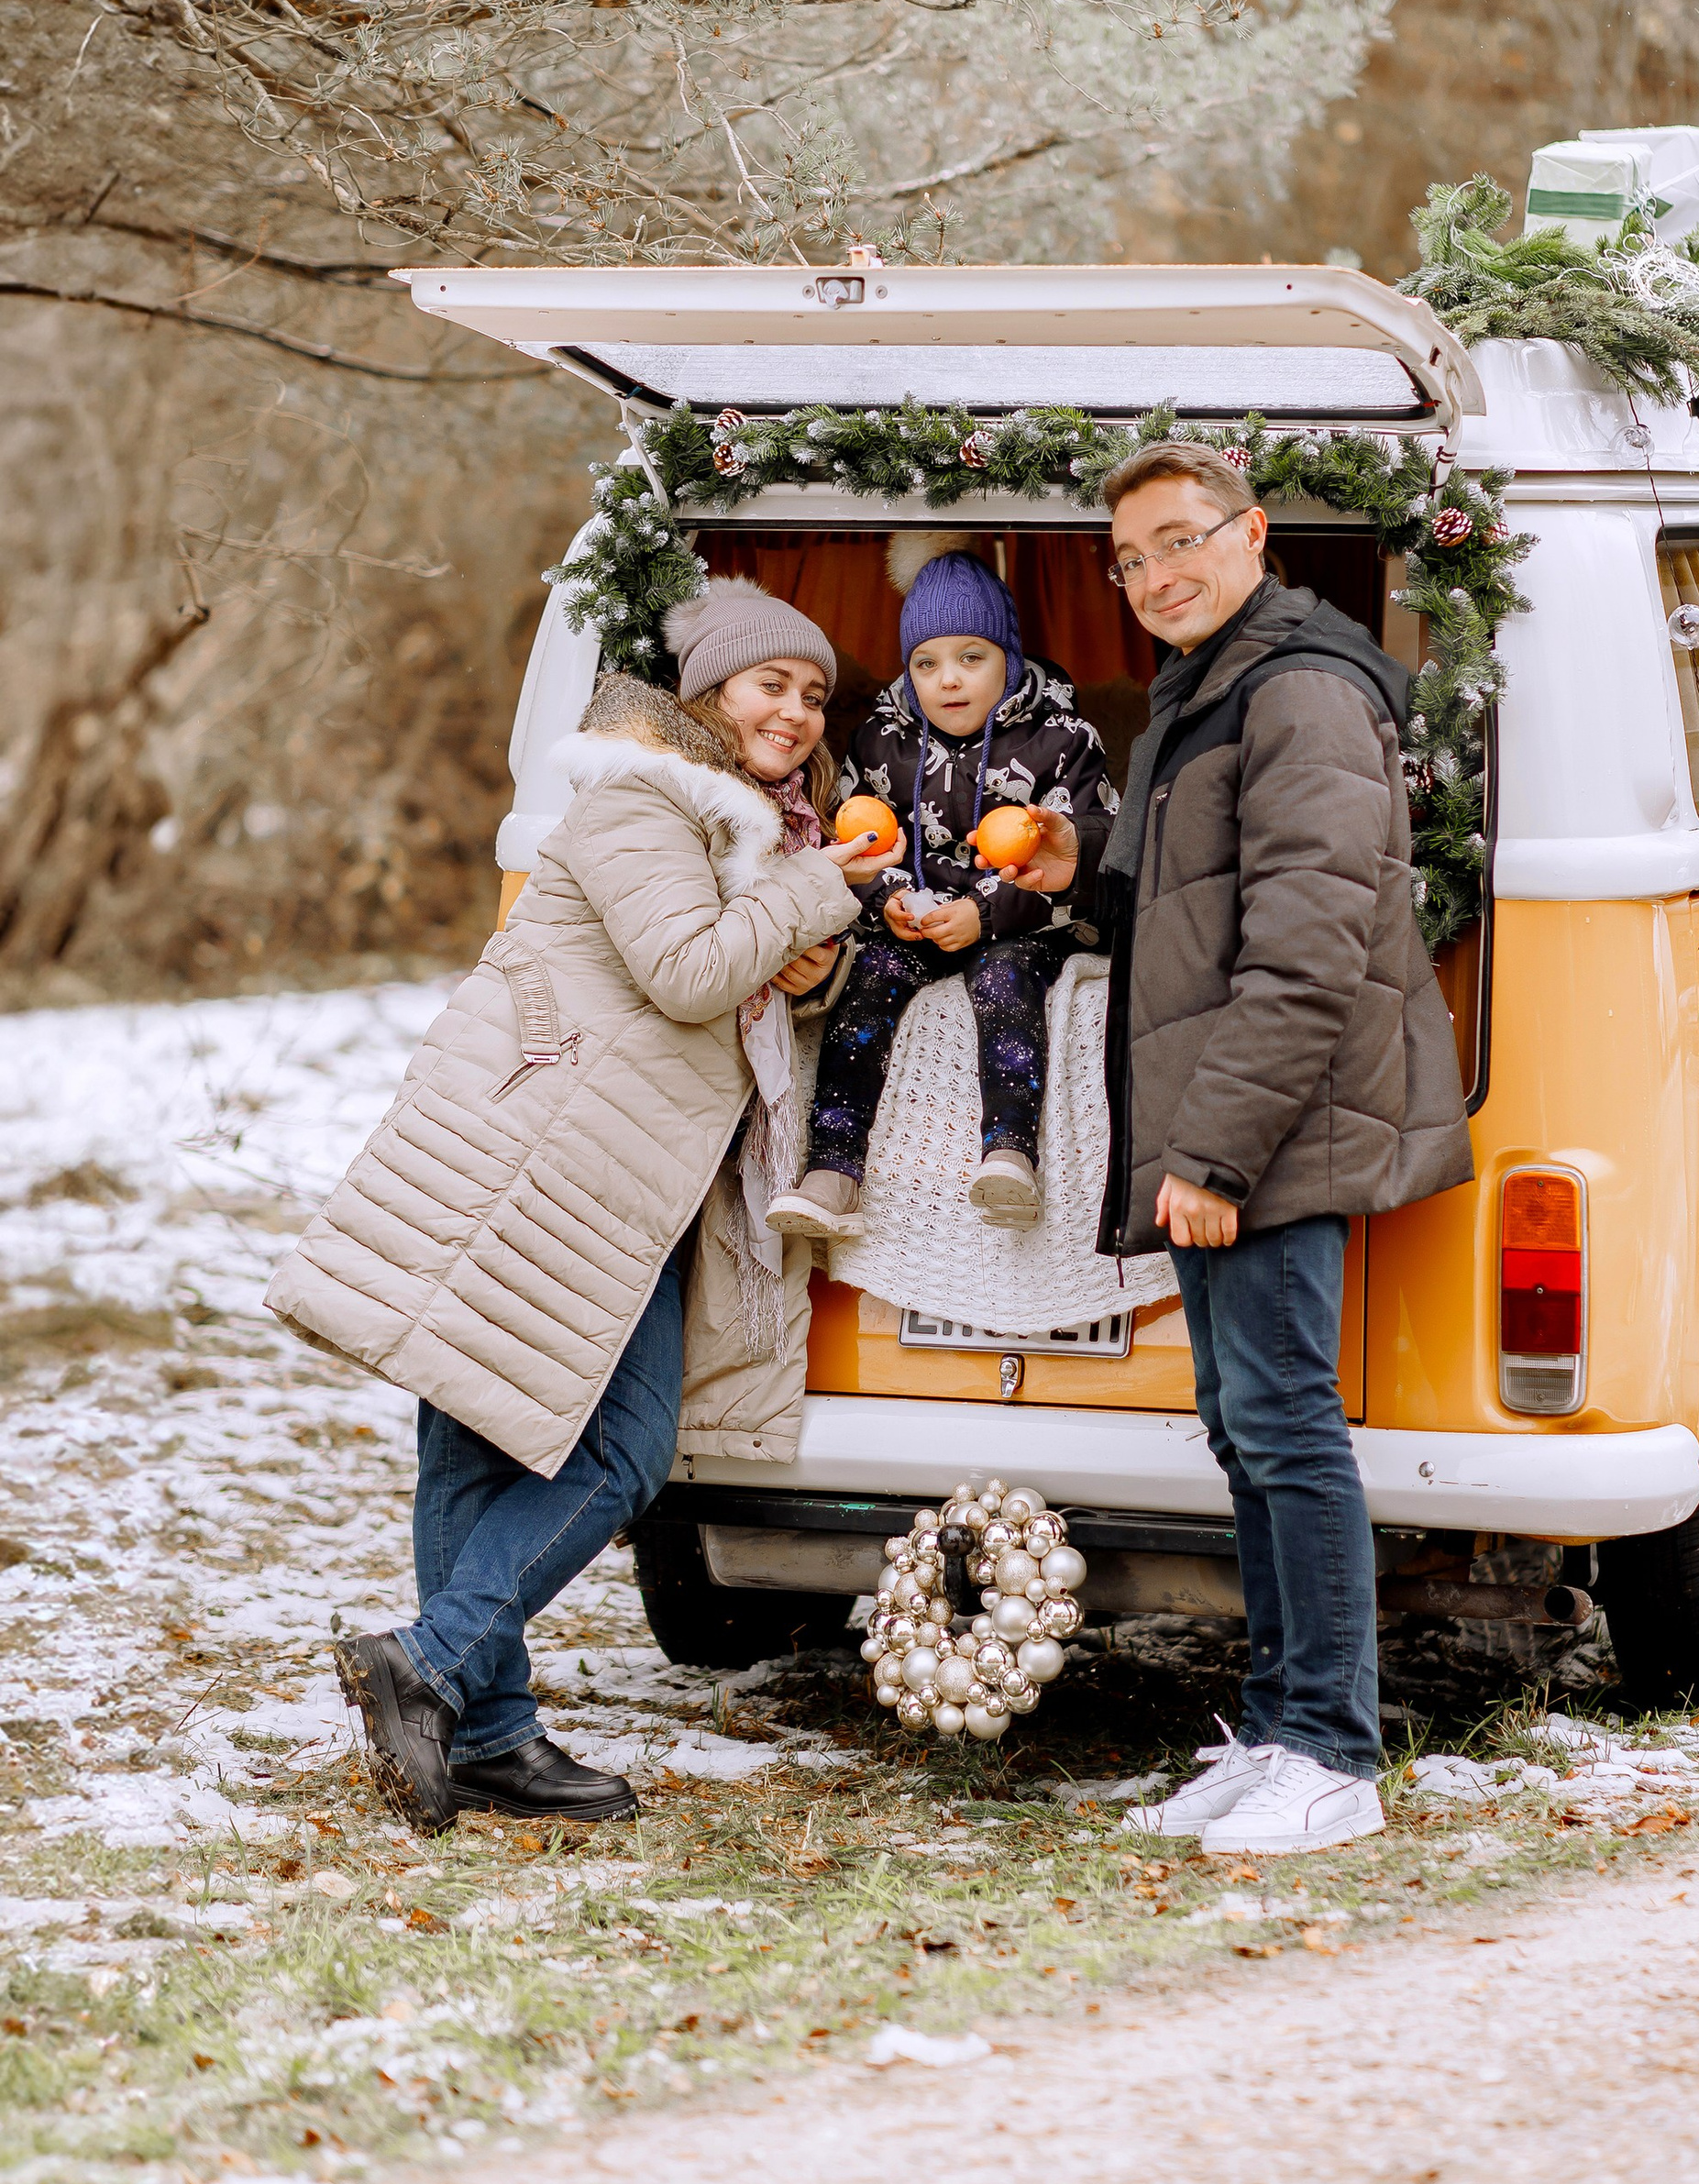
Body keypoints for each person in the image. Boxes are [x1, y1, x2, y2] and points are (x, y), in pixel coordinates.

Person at [267, 583, 864, 1834]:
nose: (799, 712)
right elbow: (691, 972)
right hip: (536, 1164)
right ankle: (453, 1689)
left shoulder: (750, 831)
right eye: (773, 685)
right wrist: (815, 894)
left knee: (569, 1441)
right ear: (707, 691)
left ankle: (465, 1712)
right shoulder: (645, 796)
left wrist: (811, 957)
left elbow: (720, 986)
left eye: (816, 695)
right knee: (544, 1443)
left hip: (613, 1172)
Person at [1094, 443, 1473, 1857]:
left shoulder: (1299, 688)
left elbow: (1307, 955)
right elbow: (1188, 908)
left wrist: (1217, 1152)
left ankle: (1331, 1751)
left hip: (1272, 1130)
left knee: (1289, 1430)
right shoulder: (1213, 683)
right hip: (1236, 1126)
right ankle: (1274, 1728)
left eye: (1181, 541)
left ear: (1254, 535)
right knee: (1248, 1433)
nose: (1157, 576)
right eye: (1132, 559)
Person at [770, 535, 1116, 1240]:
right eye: (926, 663)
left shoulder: (1065, 739)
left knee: (1005, 978)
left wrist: (984, 914)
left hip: (1026, 922)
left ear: (1009, 659)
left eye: (971, 658)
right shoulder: (880, 741)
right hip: (919, 920)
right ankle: (832, 1172)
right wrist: (887, 900)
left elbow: (1091, 855)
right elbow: (857, 842)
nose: (948, 680)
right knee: (868, 980)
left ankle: (1009, 1154)